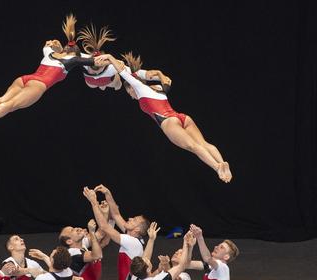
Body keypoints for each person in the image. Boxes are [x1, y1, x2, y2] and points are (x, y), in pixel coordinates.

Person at [96, 53, 232, 183]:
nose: (131, 96)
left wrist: (109, 57)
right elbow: (168, 81)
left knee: (193, 146)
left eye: (129, 92)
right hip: (182, 117)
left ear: (131, 88)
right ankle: (222, 163)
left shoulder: (139, 87)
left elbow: (121, 71)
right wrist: (159, 73)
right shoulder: (157, 88)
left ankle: (217, 167)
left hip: (168, 122)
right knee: (204, 143)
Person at [0, 14, 102, 133]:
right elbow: (96, 62)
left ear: (64, 49)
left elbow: (47, 44)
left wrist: (56, 46)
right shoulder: (73, 59)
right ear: (75, 54)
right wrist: (110, 59)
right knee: (10, 105)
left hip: (24, 79)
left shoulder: (50, 53)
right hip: (38, 85)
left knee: (2, 100)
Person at [76, 23, 122, 90]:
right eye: (94, 71)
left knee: (118, 86)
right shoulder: (84, 61)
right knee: (96, 86)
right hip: (92, 83)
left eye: (99, 69)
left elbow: (123, 65)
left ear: (104, 65)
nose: (96, 73)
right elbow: (69, 54)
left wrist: (110, 60)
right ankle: (102, 86)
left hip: (108, 82)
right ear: (88, 64)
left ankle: (103, 86)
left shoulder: (111, 68)